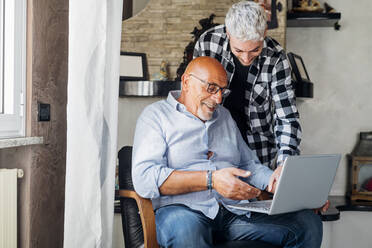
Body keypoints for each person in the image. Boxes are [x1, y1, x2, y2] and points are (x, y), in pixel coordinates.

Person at [132, 56, 325, 248]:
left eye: (222, 91)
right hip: (181, 212)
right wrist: (211, 180)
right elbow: (144, 178)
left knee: (307, 224)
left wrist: (281, 184)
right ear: (186, 82)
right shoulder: (155, 116)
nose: (218, 98)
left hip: (233, 213)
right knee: (187, 231)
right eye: (211, 88)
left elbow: (248, 165)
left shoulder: (224, 117)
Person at [194, 1, 301, 169]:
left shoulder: (276, 57)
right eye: (239, 50)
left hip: (259, 149)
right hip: (214, 143)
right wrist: (197, 145)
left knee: (257, 194)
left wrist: (284, 164)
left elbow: (286, 117)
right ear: (228, 33)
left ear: (264, 32)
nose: (245, 58)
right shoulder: (207, 43)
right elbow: (195, 100)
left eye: (255, 50)